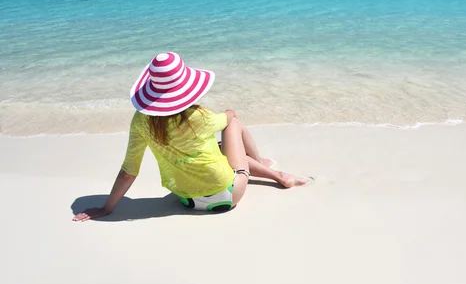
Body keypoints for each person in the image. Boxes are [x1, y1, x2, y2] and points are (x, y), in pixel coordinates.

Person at [73, 52, 307, 221]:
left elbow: (128, 172)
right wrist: (230, 112)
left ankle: (259, 166)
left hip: (187, 200)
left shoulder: (141, 122)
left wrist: (107, 208)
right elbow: (228, 118)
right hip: (229, 195)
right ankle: (271, 170)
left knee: (214, 147)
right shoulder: (198, 116)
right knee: (233, 124)